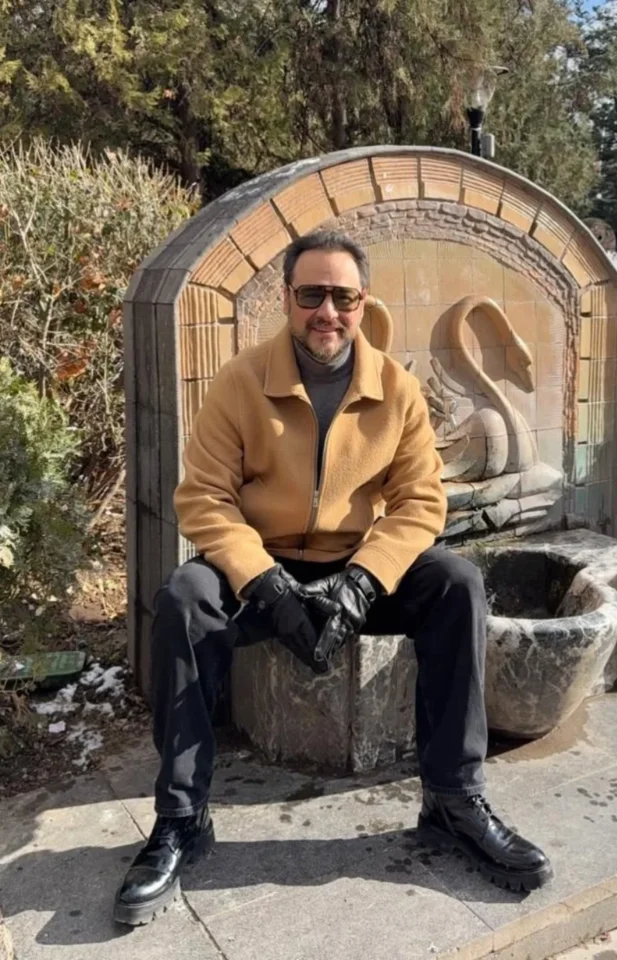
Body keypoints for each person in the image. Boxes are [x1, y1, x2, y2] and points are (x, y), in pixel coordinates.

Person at [113, 230, 553, 926]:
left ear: (362, 302)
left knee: (456, 584)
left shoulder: (396, 389)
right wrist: (265, 584)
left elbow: (421, 501)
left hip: (354, 570)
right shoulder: (240, 382)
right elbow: (204, 499)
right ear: (288, 299)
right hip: (262, 566)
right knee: (184, 600)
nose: (327, 312)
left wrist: (363, 582)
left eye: (343, 297)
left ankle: (452, 798)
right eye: (312, 294)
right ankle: (182, 817)